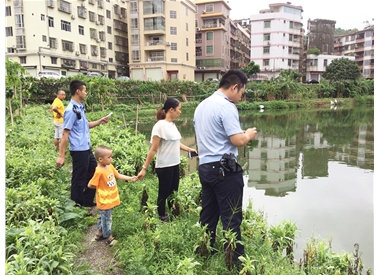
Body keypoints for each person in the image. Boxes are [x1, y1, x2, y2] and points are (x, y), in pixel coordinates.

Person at [193, 70, 257, 269]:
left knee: (209, 213)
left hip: (205, 167)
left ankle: (204, 250)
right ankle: (236, 263)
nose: (240, 98)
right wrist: (248, 134)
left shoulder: (201, 106)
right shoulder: (226, 106)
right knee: (231, 216)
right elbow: (237, 140)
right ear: (234, 87)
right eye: (241, 93)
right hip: (224, 169)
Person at [137, 97, 197, 222]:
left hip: (175, 164)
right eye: (179, 109)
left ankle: (173, 213)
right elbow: (153, 149)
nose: (180, 112)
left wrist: (189, 149)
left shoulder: (172, 125)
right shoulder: (160, 126)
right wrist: (144, 168)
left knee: (174, 191)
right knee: (164, 192)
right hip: (164, 166)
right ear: (171, 109)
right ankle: (162, 216)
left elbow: (175, 143)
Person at [56, 79, 110, 207]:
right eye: (84, 90)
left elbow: (85, 125)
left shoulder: (80, 107)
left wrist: (100, 121)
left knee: (92, 171)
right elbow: (65, 134)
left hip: (86, 148)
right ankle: (76, 204)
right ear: (78, 91)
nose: (86, 93)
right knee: (79, 178)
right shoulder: (71, 111)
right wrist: (61, 156)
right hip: (78, 150)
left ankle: (86, 200)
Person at [88, 145, 137, 246]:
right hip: (104, 201)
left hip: (110, 199)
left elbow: (117, 175)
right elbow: (91, 184)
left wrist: (130, 178)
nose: (111, 159)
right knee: (107, 219)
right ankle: (109, 237)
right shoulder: (99, 171)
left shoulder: (109, 166)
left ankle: (99, 234)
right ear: (100, 159)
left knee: (103, 217)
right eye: (109, 157)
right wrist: (99, 188)